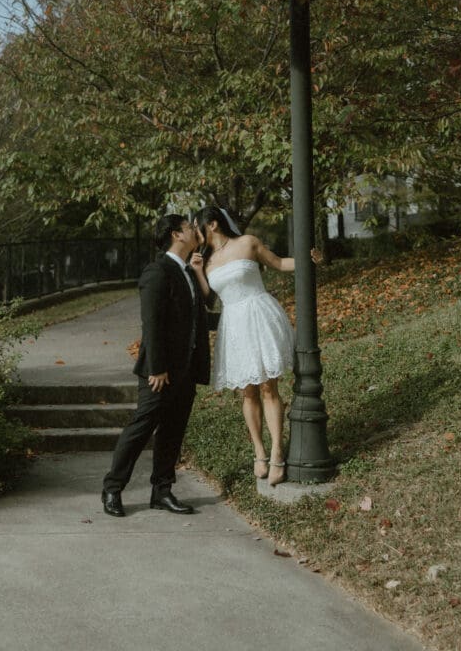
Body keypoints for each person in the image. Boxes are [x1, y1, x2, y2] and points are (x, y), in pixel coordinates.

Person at [190, 205, 320, 487]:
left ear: (211, 225)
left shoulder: (248, 243)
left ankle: (277, 453)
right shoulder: (206, 260)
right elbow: (207, 298)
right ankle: (259, 452)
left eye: (197, 227)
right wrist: (199, 271)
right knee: (247, 392)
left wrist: (308, 260)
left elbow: (280, 264)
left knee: (268, 387)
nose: (195, 233)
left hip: (259, 315)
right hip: (234, 325)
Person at [101, 213, 213, 517]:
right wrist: (157, 367)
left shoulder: (188, 271)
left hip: (186, 368)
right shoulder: (157, 271)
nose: (196, 231)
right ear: (177, 234)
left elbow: (205, 307)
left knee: (173, 431)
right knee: (142, 427)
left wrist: (200, 270)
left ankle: (162, 491)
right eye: (190, 228)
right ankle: (112, 488)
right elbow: (151, 324)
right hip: (160, 371)